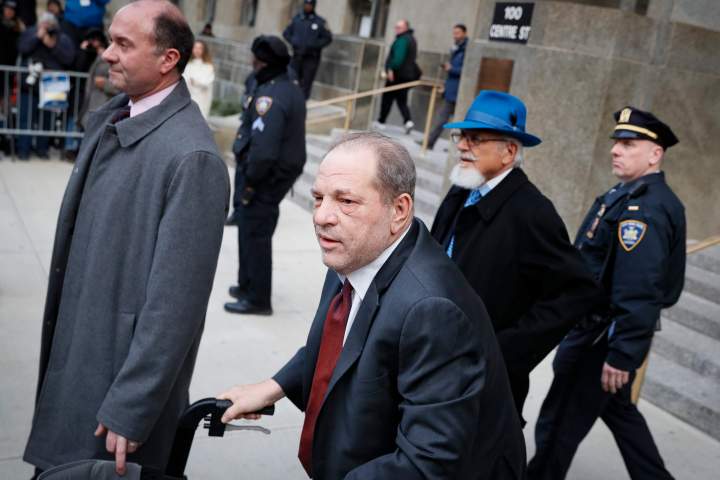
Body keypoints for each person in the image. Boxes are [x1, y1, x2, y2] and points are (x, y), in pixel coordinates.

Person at [219, 131, 526, 479]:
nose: (322, 216)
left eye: (346, 201)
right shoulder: (354, 250)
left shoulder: (433, 311)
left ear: (399, 210)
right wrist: (274, 387)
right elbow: (340, 346)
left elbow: (426, 464)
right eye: (319, 198)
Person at [22, 1, 229, 477]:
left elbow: (175, 306)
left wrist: (133, 405)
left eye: (123, 44)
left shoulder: (192, 158)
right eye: (110, 39)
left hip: (113, 395)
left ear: (168, 59)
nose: (107, 53)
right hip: (81, 362)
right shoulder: (115, 118)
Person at [527, 107, 685, 480]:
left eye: (628, 144)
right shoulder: (627, 194)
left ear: (655, 154)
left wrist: (622, 354)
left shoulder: (644, 210)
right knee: (620, 413)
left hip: (600, 340)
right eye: (616, 143)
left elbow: (640, 289)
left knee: (557, 427)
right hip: (599, 332)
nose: (615, 150)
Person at [430, 90, 603, 423]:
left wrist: (502, 351)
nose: (462, 145)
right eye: (461, 136)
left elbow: (577, 292)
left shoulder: (532, 212)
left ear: (509, 151)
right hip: (435, 360)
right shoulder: (462, 189)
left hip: (482, 385)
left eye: (475, 138)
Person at [223, 35, 306, 316]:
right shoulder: (286, 87)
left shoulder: (271, 96)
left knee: (256, 233)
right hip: (269, 174)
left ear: (265, 63)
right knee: (248, 229)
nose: (253, 65)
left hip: (264, 177)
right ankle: (246, 284)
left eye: (256, 61)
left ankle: (257, 299)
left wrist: (251, 182)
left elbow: (265, 150)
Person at [16, 10, 75, 159]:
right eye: (44, 24)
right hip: (29, 85)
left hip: (51, 87)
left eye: (50, 24)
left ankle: (42, 150)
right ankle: (23, 150)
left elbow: (69, 59)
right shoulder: (31, 32)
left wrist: (53, 45)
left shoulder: (62, 38)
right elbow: (22, 48)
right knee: (26, 118)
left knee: (46, 120)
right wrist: (37, 37)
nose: (47, 27)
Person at [424, 23, 467, 151]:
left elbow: (467, 71)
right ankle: (429, 142)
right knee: (442, 118)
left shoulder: (467, 49)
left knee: (459, 122)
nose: (455, 35)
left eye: (458, 33)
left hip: (460, 92)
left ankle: (454, 148)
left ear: (464, 33)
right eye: (454, 33)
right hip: (451, 90)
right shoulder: (456, 48)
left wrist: (451, 68)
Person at [374, 19, 420, 135]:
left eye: (399, 27)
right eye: (396, 27)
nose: (396, 29)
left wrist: (390, 68)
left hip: (396, 75)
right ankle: (408, 121)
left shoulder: (402, 40)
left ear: (406, 28)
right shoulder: (411, 39)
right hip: (407, 75)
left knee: (387, 98)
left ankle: (381, 121)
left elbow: (398, 58)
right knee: (402, 100)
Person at [282, 0, 332, 100]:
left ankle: (301, 103)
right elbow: (286, 33)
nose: (308, 6)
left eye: (310, 5)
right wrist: (294, 41)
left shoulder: (320, 22)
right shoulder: (296, 19)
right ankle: (290, 101)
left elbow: (328, 38)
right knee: (292, 79)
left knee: (306, 83)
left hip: (311, 58)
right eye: (306, 4)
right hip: (296, 56)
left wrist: (314, 45)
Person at [76, 29, 117, 130]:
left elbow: (120, 86)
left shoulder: (111, 58)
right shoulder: (91, 56)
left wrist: (105, 84)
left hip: (104, 104)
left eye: (94, 40)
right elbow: (78, 66)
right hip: (91, 104)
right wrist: (83, 51)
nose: (93, 43)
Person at [183, 39, 214, 118]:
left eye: (200, 48)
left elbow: (207, 83)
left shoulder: (208, 67)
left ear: (204, 50)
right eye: (195, 48)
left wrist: (196, 82)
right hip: (187, 98)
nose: (197, 50)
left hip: (201, 100)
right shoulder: (188, 65)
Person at [1, 0, 25, 66]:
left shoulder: (17, 28)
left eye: (12, 9)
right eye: (7, 8)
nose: (9, 11)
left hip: (11, 65)